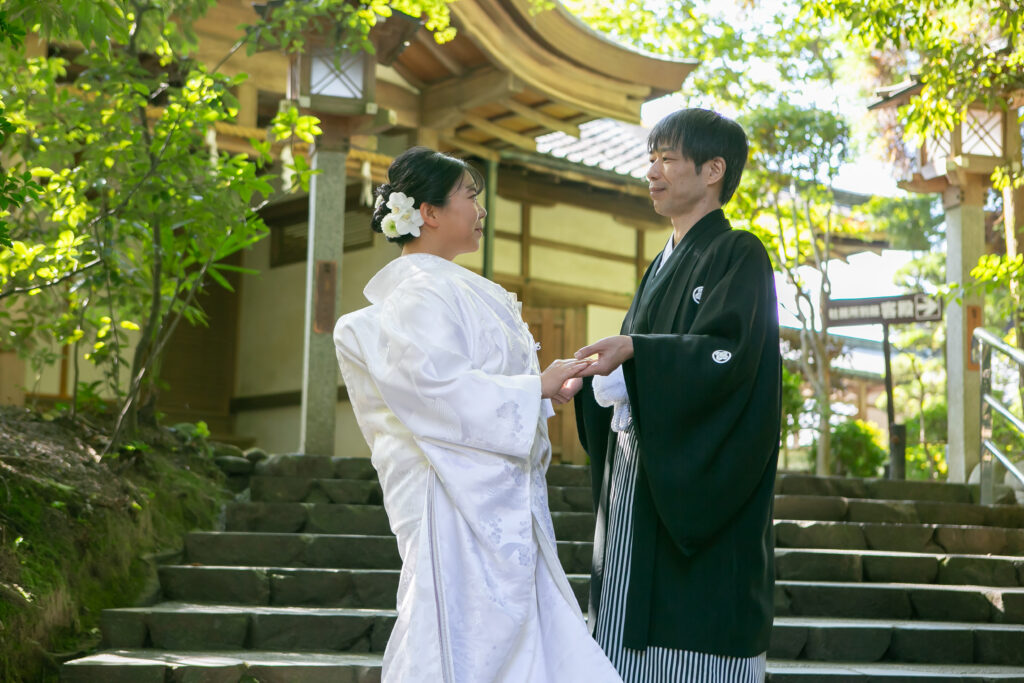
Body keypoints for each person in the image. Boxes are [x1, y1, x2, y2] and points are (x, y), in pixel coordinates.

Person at [333, 147, 622, 683]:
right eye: (471, 197)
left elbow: (470, 382)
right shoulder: (419, 292)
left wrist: (535, 393)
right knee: (461, 635)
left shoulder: (451, 287)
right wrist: (533, 387)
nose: (481, 210)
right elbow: (436, 389)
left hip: (494, 485)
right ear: (430, 212)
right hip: (452, 493)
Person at [564, 109, 782, 682]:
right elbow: (635, 362)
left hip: (696, 482)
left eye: (668, 159)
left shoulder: (740, 254)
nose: (653, 171)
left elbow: (730, 356)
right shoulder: (659, 264)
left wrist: (640, 353)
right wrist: (594, 377)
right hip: (638, 481)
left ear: (714, 170)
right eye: (651, 158)